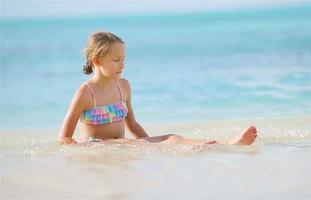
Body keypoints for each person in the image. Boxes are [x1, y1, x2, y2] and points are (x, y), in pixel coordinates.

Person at [58, 31, 258, 146]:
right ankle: (210, 148)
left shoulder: (124, 87)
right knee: (153, 145)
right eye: (116, 60)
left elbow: (133, 124)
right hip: (100, 148)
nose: (122, 65)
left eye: (124, 59)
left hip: (125, 147)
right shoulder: (86, 93)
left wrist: (149, 143)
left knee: (171, 138)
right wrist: (81, 155)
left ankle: (220, 145)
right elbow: (64, 137)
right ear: (97, 60)